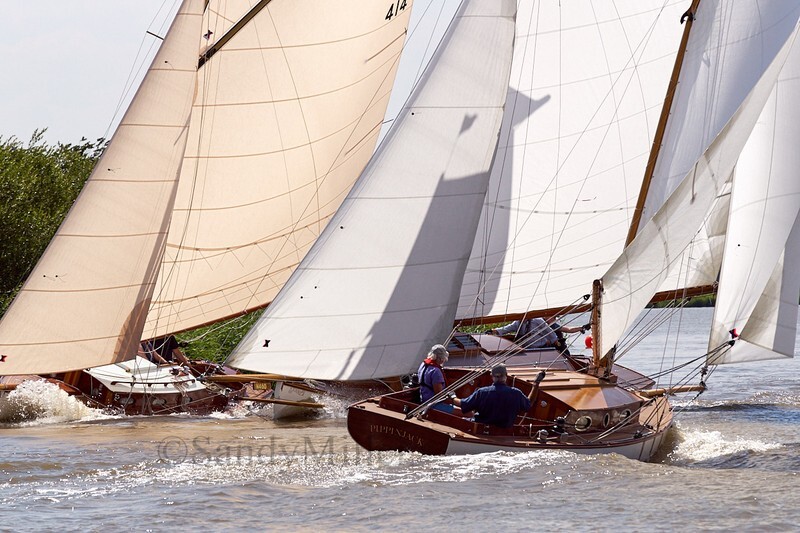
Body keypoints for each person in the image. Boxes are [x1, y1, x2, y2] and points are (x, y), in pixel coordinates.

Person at [452, 364, 533, 428]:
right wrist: (535, 385)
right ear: (506, 375)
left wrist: (452, 397)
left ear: (492, 376)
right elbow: (528, 405)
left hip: (481, 430)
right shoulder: (516, 394)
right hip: (504, 434)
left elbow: (464, 405)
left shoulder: (482, 392)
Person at [488, 317, 589, 351]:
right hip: (527, 350)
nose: (554, 318)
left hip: (540, 349)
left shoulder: (538, 321)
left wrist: (555, 342)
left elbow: (551, 333)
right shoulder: (518, 323)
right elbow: (506, 329)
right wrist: (494, 331)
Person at [417, 344, 454, 414]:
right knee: (468, 413)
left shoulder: (423, 365)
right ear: (440, 358)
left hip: (423, 400)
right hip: (433, 405)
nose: (443, 361)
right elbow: (439, 396)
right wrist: (455, 401)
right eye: (443, 358)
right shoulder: (436, 371)